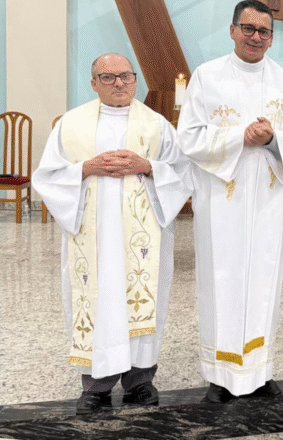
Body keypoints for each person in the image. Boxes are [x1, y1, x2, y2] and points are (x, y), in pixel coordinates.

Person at [32, 53, 193, 415]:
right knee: (99, 301)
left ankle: (140, 381)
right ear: (94, 83)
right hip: (94, 239)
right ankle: (96, 386)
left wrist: (147, 165)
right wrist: (86, 167)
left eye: (126, 76)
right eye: (108, 77)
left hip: (143, 241)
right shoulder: (71, 124)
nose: (119, 83)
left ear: (135, 80)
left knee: (144, 298)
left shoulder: (156, 125)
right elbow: (47, 176)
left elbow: (183, 172)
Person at [177, 0, 283, 402]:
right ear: (232, 30)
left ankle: (259, 370)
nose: (256, 37)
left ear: (272, 38)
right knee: (221, 279)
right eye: (248, 28)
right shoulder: (207, 77)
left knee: (264, 280)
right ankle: (220, 374)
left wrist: (273, 139)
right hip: (222, 201)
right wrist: (241, 136)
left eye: (264, 31)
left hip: (268, 203)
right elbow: (189, 137)